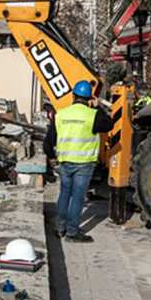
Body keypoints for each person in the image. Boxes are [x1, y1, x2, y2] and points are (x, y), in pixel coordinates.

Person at [45, 81, 112, 242]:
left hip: (65, 162)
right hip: (84, 164)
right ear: (89, 98)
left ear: (73, 96)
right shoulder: (92, 114)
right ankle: (72, 232)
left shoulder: (61, 114)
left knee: (64, 194)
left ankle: (60, 227)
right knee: (77, 197)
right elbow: (109, 124)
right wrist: (97, 107)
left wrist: (52, 157)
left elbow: (49, 140)